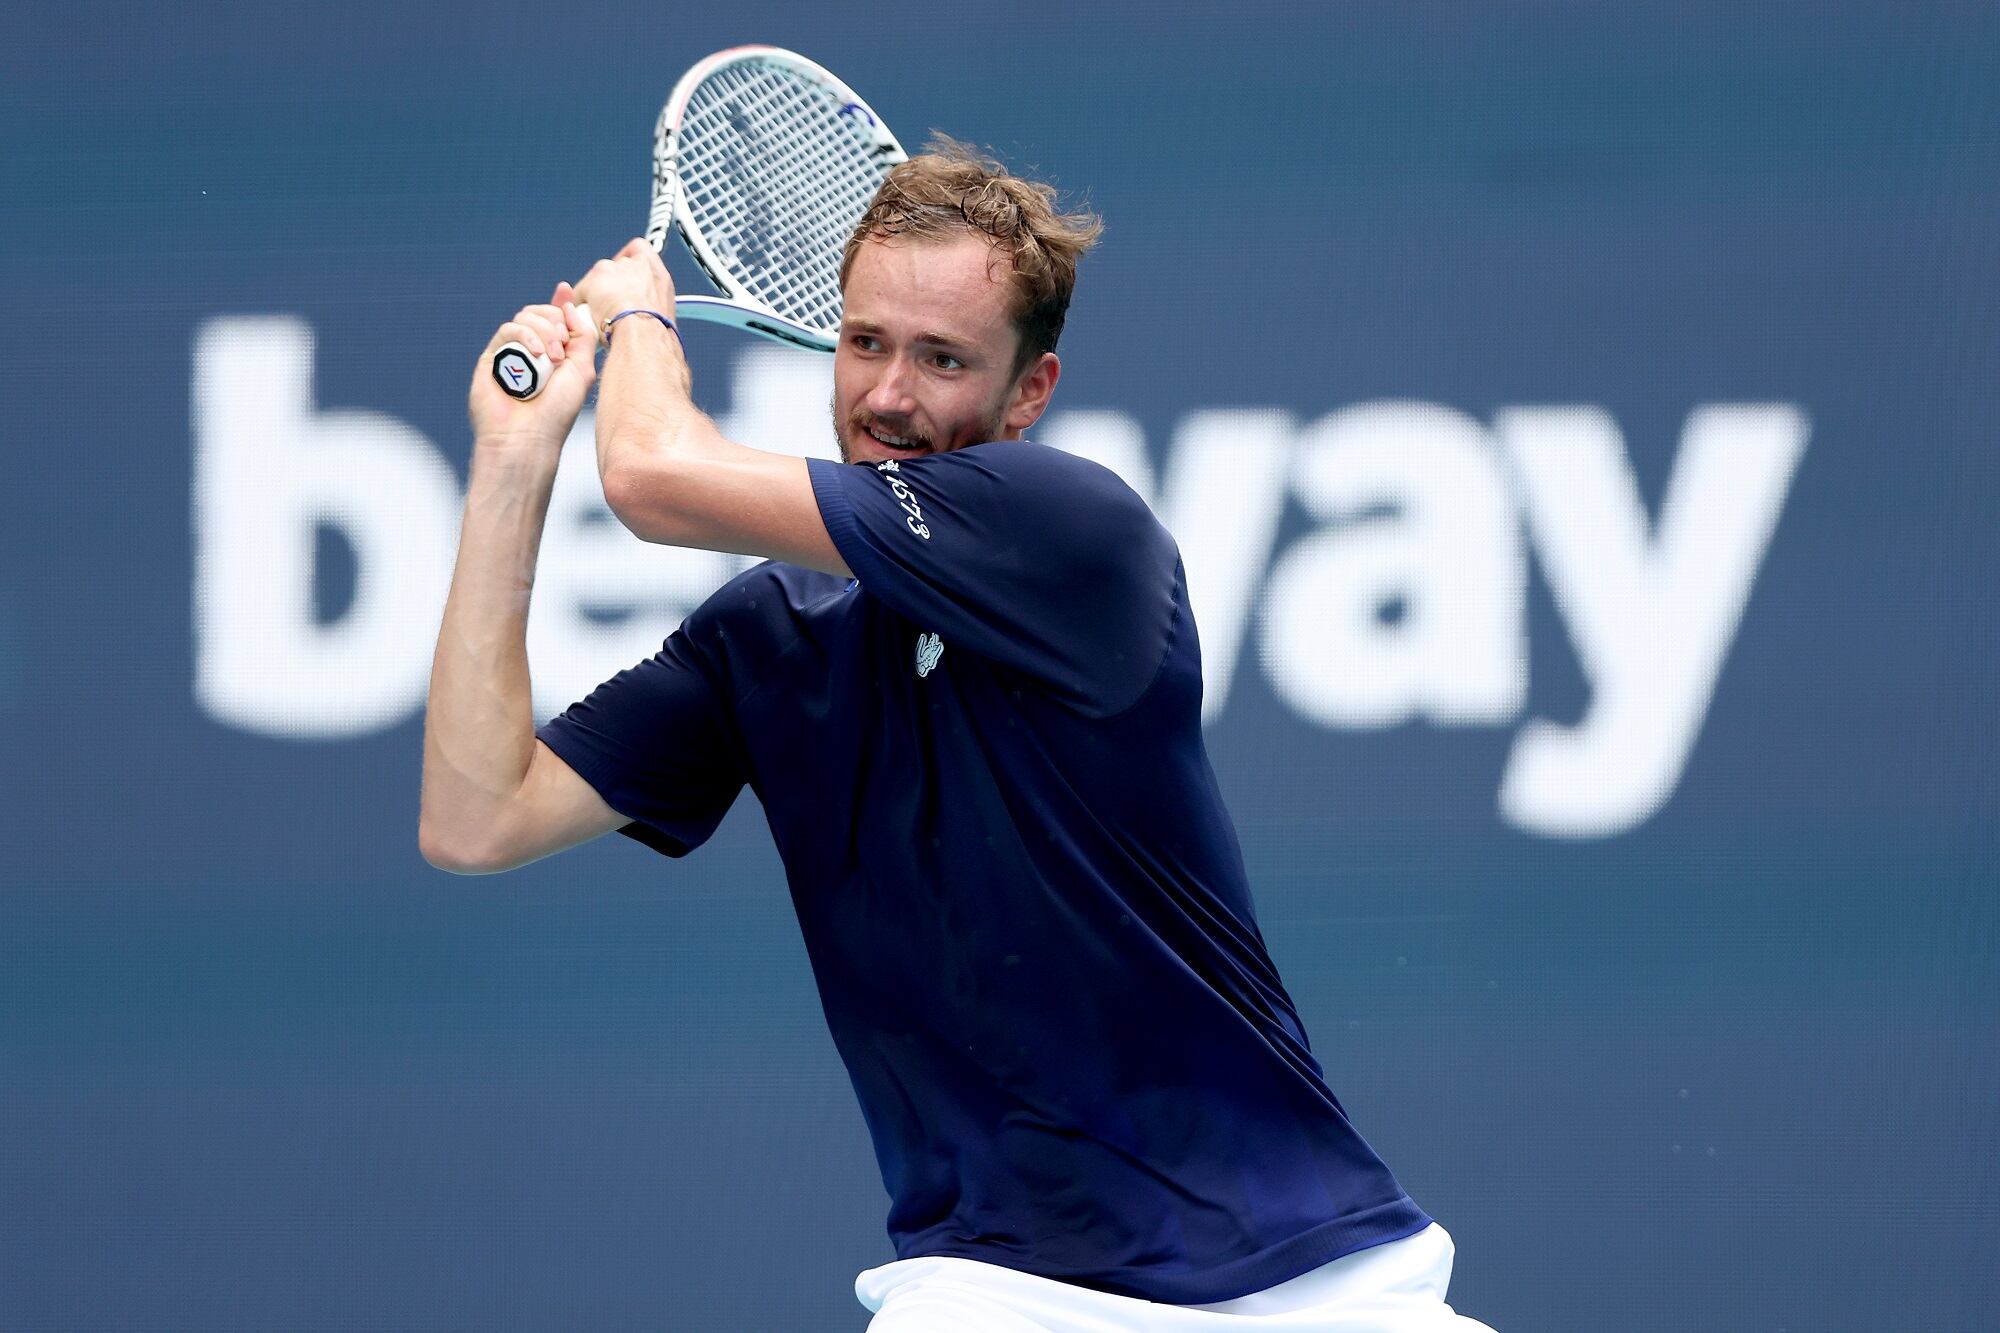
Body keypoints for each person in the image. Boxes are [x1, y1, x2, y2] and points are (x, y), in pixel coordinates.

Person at [421, 139, 1496, 1332]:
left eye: (941, 359)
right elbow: (478, 815)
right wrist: (513, 462)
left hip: (1315, 1288)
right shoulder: (769, 635)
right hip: (989, 1289)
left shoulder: (1071, 529)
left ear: (1027, 392)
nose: (888, 395)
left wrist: (636, 325)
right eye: (865, 342)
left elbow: (650, 476)